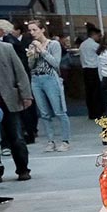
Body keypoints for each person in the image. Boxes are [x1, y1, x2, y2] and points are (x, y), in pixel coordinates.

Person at [26, 21, 70, 152]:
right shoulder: (32, 45)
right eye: (30, 30)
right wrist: (32, 56)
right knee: (44, 113)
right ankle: (50, 141)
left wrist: (42, 50)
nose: (32, 33)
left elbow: (56, 63)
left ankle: (65, 140)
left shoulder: (54, 44)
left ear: (42, 30)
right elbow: (30, 66)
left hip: (50, 78)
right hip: (36, 79)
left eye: (34, 30)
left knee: (59, 110)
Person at [0, 37, 32, 181]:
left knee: (17, 137)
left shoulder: (6, 48)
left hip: (9, 100)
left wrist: (26, 95)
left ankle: (23, 169)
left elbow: (20, 72)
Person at [9, 22, 38, 144]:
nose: (31, 32)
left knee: (30, 104)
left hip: (28, 74)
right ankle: (27, 129)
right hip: (17, 77)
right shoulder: (11, 42)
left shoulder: (27, 41)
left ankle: (31, 129)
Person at [79, 23, 104, 119]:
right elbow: (102, 53)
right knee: (96, 92)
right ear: (94, 35)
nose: (99, 38)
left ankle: (91, 112)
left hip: (85, 70)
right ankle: (98, 112)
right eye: (98, 36)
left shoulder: (82, 44)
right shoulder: (94, 45)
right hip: (94, 70)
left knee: (89, 92)